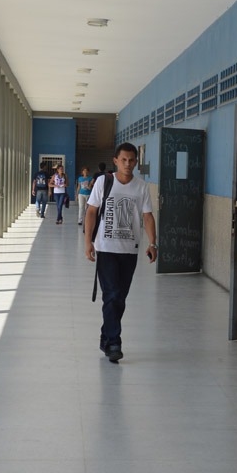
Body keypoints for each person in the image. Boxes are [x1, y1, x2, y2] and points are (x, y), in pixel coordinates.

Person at [84, 143, 157, 363]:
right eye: (123, 160)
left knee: (120, 298)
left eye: (131, 160)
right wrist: (88, 242)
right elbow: (91, 211)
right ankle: (114, 342)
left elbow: (148, 216)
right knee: (112, 295)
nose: (128, 164)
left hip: (130, 251)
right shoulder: (103, 182)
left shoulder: (141, 187)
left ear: (136, 162)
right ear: (116, 161)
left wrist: (153, 243)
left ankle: (106, 335)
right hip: (106, 248)